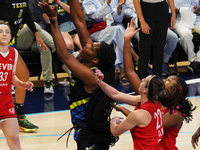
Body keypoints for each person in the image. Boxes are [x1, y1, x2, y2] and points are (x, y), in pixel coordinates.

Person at [39, 0, 118, 149]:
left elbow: (64, 55)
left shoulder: (91, 76)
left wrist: (54, 21)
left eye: (92, 47)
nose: (88, 44)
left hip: (90, 134)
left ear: (95, 60)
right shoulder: (91, 64)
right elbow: (80, 21)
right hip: (86, 131)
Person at [121, 18, 196, 150]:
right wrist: (127, 41)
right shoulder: (152, 99)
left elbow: (146, 122)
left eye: (169, 81)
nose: (164, 80)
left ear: (176, 91)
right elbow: (130, 73)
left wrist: (122, 109)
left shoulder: (176, 115)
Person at [0, 0, 48, 132]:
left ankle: (19, 116)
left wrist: (36, 33)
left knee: (23, 74)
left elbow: (26, 14)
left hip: (11, 42)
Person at [95, 70, 165, 149]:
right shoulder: (154, 102)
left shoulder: (140, 114)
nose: (142, 80)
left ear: (146, 90)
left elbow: (115, 132)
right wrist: (99, 82)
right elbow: (116, 94)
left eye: (144, 80)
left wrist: (113, 121)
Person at [82, 0, 139, 85]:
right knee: (117, 31)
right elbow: (95, 16)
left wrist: (119, 8)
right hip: (97, 31)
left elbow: (117, 19)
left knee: (117, 31)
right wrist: (107, 3)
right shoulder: (88, 1)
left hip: (113, 29)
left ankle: (123, 72)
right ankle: (134, 57)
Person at [0, 20, 33, 150]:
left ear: (11, 36)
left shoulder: (14, 53)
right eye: (0, 32)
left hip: (7, 100)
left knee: (14, 139)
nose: (4, 34)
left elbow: (11, 76)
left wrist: (22, 84)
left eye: (7, 32)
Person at [123, 0, 178, 76]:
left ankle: (157, 79)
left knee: (160, 47)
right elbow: (136, 1)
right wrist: (142, 21)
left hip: (162, 8)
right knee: (145, 48)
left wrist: (173, 13)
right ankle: (141, 79)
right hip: (146, 9)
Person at [17, 22, 56, 94]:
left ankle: (48, 82)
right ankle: (60, 50)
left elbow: (43, 23)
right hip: (17, 40)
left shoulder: (35, 11)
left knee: (44, 47)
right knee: (32, 25)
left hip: (36, 37)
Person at [173, 0, 200, 73]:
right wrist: (179, 10)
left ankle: (197, 60)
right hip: (180, 21)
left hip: (197, 19)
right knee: (185, 34)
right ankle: (192, 59)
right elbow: (167, 9)